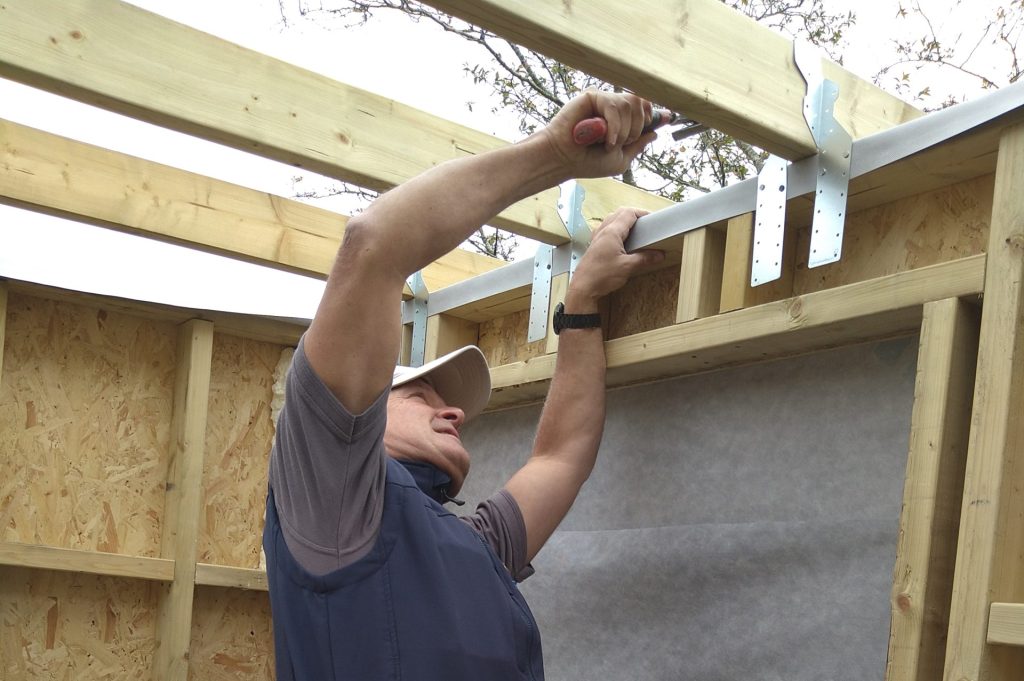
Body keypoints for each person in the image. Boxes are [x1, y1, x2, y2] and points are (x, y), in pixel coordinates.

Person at [264, 91, 665, 680]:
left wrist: (581, 303)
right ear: (362, 425)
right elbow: (373, 243)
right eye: (424, 397)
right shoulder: (334, 504)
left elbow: (561, 456)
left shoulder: (475, 548)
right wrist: (556, 154)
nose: (453, 412)